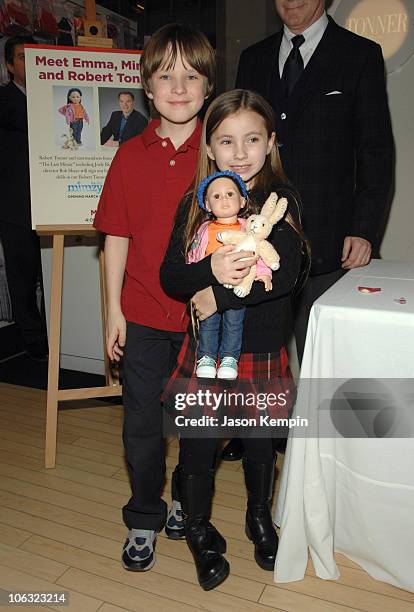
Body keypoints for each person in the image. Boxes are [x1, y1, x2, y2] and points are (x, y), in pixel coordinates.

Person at [222, 0, 394, 462]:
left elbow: (375, 150)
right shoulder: (253, 58)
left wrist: (364, 228)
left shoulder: (360, 54)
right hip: (256, 236)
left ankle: (321, 452)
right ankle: (255, 431)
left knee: (318, 350)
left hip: (328, 237)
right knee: (254, 340)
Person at [160, 89, 308, 590]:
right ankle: (199, 530)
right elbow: (171, 276)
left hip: (262, 349)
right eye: (227, 141)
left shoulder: (280, 201)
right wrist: (209, 269)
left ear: (270, 143)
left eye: (251, 140)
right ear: (209, 147)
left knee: (261, 445)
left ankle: (258, 518)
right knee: (199, 447)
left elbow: (286, 274)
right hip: (206, 355)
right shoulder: (195, 203)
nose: (240, 153)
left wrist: (217, 298)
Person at [93, 23, 215, 572]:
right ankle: (144, 514)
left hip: (201, 320)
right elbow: (114, 237)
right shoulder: (128, 156)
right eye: (167, 75)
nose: (179, 87)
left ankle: (188, 502)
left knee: (195, 425)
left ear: (209, 86)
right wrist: (112, 310)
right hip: (141, 315)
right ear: (147, 86)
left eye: (191, 75)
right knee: (141, 424)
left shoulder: (218, 156)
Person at [190, 170, 272, 380]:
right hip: (209, 286)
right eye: (216, 196)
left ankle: (229, 358)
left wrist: (263, 274)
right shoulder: (203, 229)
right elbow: (193, 255)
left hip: (238, 285)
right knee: (208, 323)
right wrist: (193, 278)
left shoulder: (249, 229)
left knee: (234, 323)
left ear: (243, 201)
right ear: (207, 205)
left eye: (230, 194)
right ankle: (207, 357)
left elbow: (259, 252)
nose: (224, 200)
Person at [0, 35, 48, 360]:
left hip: (51, 204)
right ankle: (33, 339)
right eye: (21, 57)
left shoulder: (51, 99)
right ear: (8, 65)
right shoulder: (4, 100)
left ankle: (59, 335)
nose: (28, 62)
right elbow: (25, 121)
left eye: (33, 56)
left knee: (53, 275)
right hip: (15, 205)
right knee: (22, 276)